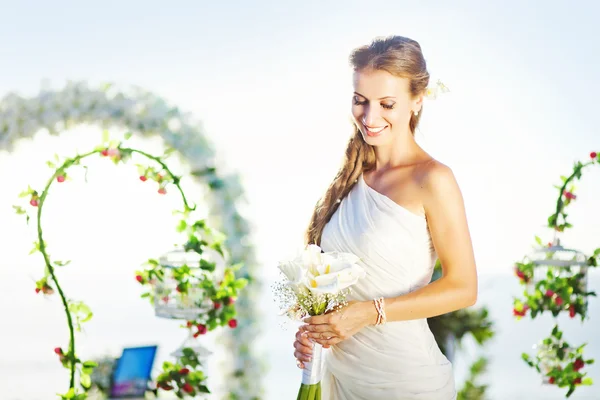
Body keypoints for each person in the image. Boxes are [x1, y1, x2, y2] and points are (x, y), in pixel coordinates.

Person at [292, 35, 478, 399]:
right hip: (340, 377)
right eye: (360, 101)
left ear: (417, 100)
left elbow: (463, 287)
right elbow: (334, 289)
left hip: (404, 380)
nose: (369, 117)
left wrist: (369, 313)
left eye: (386, 104)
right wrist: (317, 332)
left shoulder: (433, 179)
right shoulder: (351, 179)